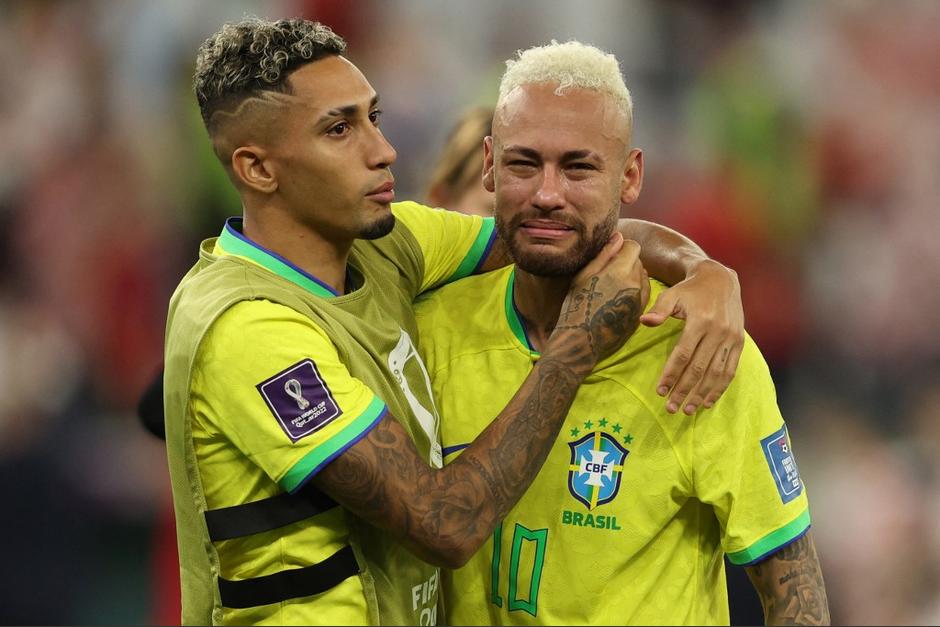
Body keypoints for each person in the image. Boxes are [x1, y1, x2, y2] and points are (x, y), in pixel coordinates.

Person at [165, 17, 743, 625]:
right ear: (258, 169)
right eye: (339, 129)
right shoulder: (247, 327)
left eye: (373, 118)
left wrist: (704, 271)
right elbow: (444, 524)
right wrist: (574, 346)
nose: (382, 150)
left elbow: (554, 232)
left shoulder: (387, 245)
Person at [416, 41, 830, 625]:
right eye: (523, 163)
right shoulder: (431, 328)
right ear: (488, 164)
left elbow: (796, 597)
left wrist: (705, 270)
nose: (547, 194)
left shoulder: (700, 347)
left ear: (629, 176)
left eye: (579, 167)